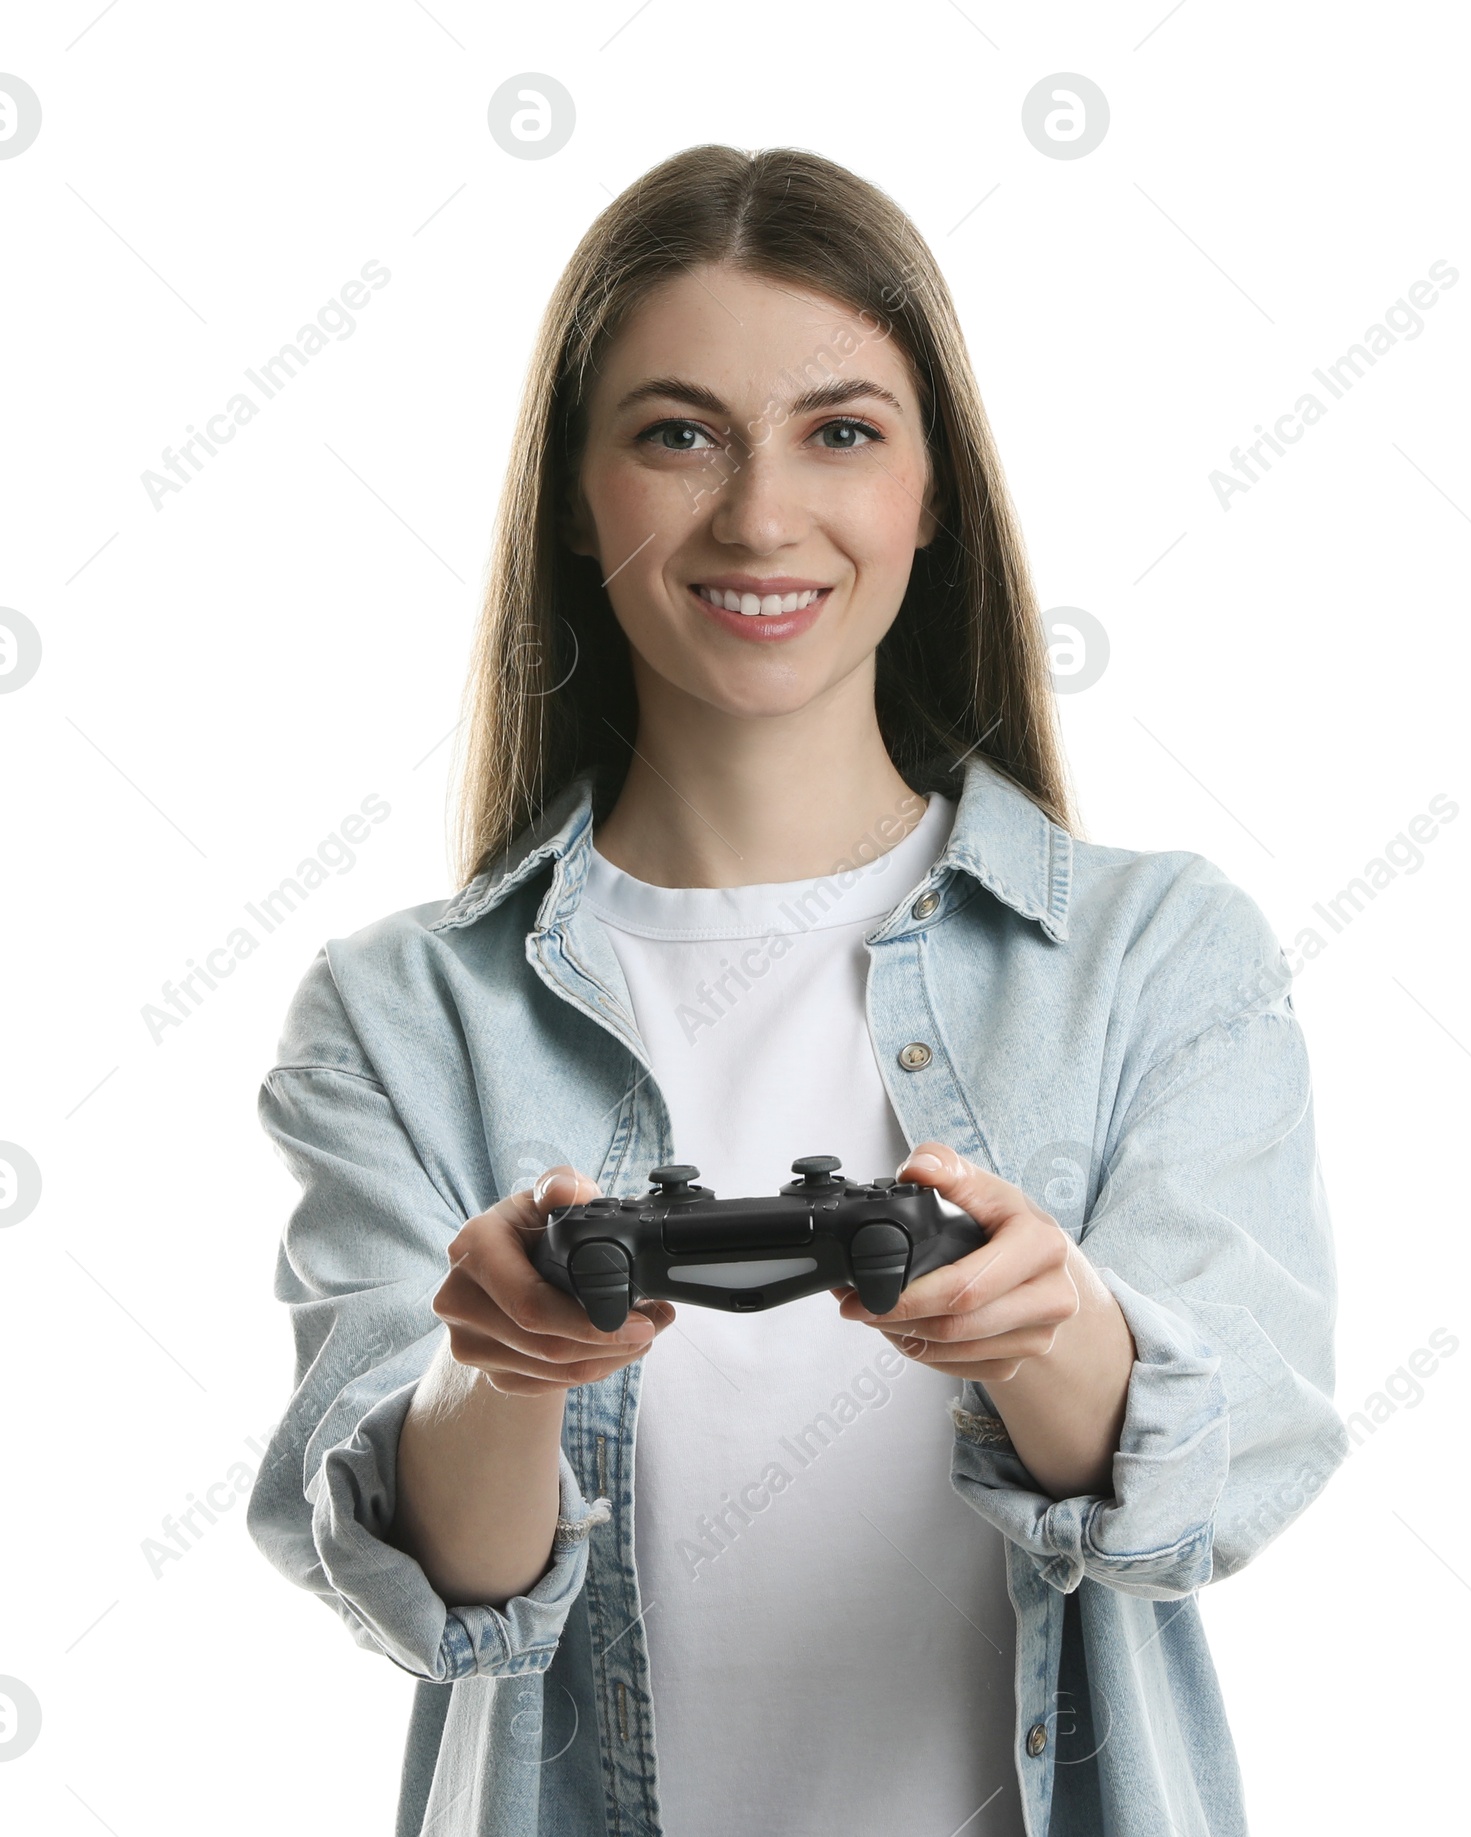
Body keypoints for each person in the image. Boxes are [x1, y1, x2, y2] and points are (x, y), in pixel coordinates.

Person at [247, 144, 1348, 1837]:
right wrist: (506, 1364)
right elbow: (445, 1590)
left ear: (934, 494)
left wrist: (1047, 1326)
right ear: (574, 492)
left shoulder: (1154, 958)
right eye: (677, 433)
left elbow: (1219, 1479)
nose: (761, 517)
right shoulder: (402, 1014)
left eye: (841, 431)